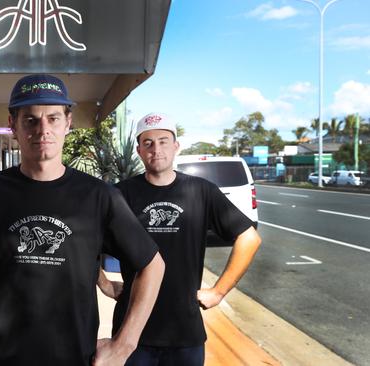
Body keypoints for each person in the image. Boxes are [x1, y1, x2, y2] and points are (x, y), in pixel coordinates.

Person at [0, 74, 166, 366]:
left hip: (75, 358)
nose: (43, 129)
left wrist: (125, 343)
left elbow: (152, 264)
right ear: (14, 125)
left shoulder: (99, 197)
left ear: (68, 123)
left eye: (53, 118)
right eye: (30, 120)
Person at [98, 112, 262, 366]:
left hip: (184, 332)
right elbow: (85, 242)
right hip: (132, 333)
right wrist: (104, 283)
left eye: (163, 141)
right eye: (148, 143)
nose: (156, 149)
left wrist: (219, 291)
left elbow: (249, 238)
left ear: (176, 146)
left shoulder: (201, 191)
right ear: (139, 150)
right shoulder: (120, 195)